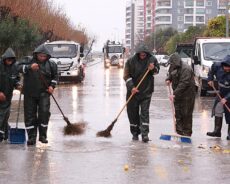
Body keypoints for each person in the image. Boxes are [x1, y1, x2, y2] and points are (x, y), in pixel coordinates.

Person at [18, 44, 58, 145]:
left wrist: (52, 86)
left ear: (47, 56)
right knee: (30, 115)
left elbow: (56, 77)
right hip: (29, 93)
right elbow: (17, 67)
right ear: (36, 54)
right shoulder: (28, 60)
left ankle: (43, 136)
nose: (42, 58)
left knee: (44, 114)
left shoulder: (52, 64)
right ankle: (31, 137)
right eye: (40, 56)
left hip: (44, 93)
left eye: (44, 56)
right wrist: (28, 67)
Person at [123, 45, 159, 142]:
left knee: (144, 113)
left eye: (144, 55)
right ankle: (135, 133)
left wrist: (153, 69)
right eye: (141, 55)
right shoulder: (130, 61)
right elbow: (126, 76)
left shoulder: (152, 59)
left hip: (146, 91)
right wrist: (132, 87)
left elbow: (157, 71)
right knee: (132, 113)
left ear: (147, 54)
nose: (143, 56)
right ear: (138, 54)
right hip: (133, 92)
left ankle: (145, 134)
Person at [165, 53, 196, 136]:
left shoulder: (186, 69)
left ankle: (187, 132)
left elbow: (184, 83)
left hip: (187, 94)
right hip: (177, 93)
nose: (172, 65)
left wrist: (174, 94)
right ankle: (179, 131)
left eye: (173, 63)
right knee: (178, 112)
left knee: (186, 113)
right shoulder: (173, 66)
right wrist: (168, 80)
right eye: (171, 63)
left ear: (176, 62)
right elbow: (170, 75)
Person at [206, 55, 230, 140]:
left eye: (229, 68)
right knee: (218, 109)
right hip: (221, 92)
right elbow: (211, 72)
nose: (227, 69)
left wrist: (226, 98)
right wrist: (210, 79)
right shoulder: (216, 65)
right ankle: (217, 131)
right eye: (226, 67)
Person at [0, 48, 21, 142]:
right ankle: (2, 133)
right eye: (8, 60)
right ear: (4, 59)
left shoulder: (14, 67)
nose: (10, 61)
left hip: (7, 95)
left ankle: (4, 132)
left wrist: (18, 85)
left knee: (5, 114)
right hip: (1, 93)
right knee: (2, 114)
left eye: (12, 60)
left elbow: (16, 78)